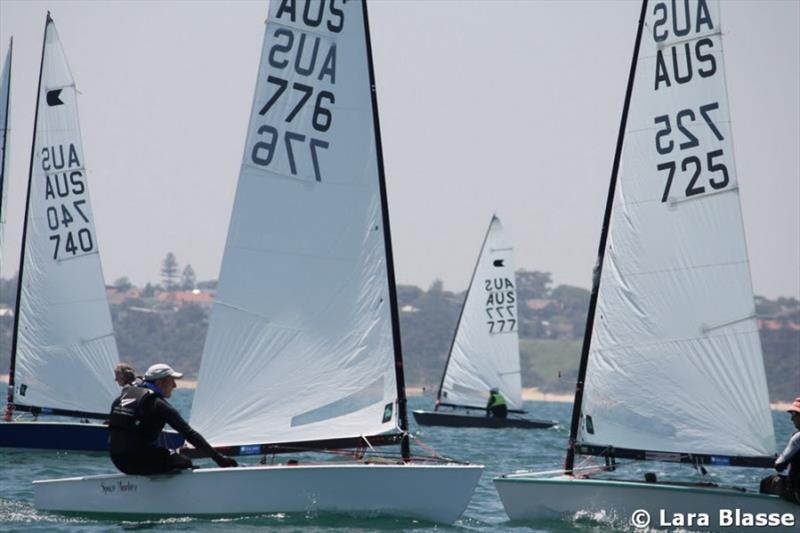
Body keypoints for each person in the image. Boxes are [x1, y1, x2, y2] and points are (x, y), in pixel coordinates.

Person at [109, 363, 237, 475]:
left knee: (163, 455)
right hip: (137, 461)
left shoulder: (125, 396)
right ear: (159, 383)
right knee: (184, 461)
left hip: (118, 460)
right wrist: (219, 458)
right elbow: (189, 434)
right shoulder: (157, 404)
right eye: (172, 381)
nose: (175, 385)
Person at [761, 396, 800, 505]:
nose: (791, 419)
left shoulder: (798, 438)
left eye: (794, 414)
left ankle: (767, 518)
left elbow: (779, 465)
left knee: (767, 482)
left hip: (797, 493)